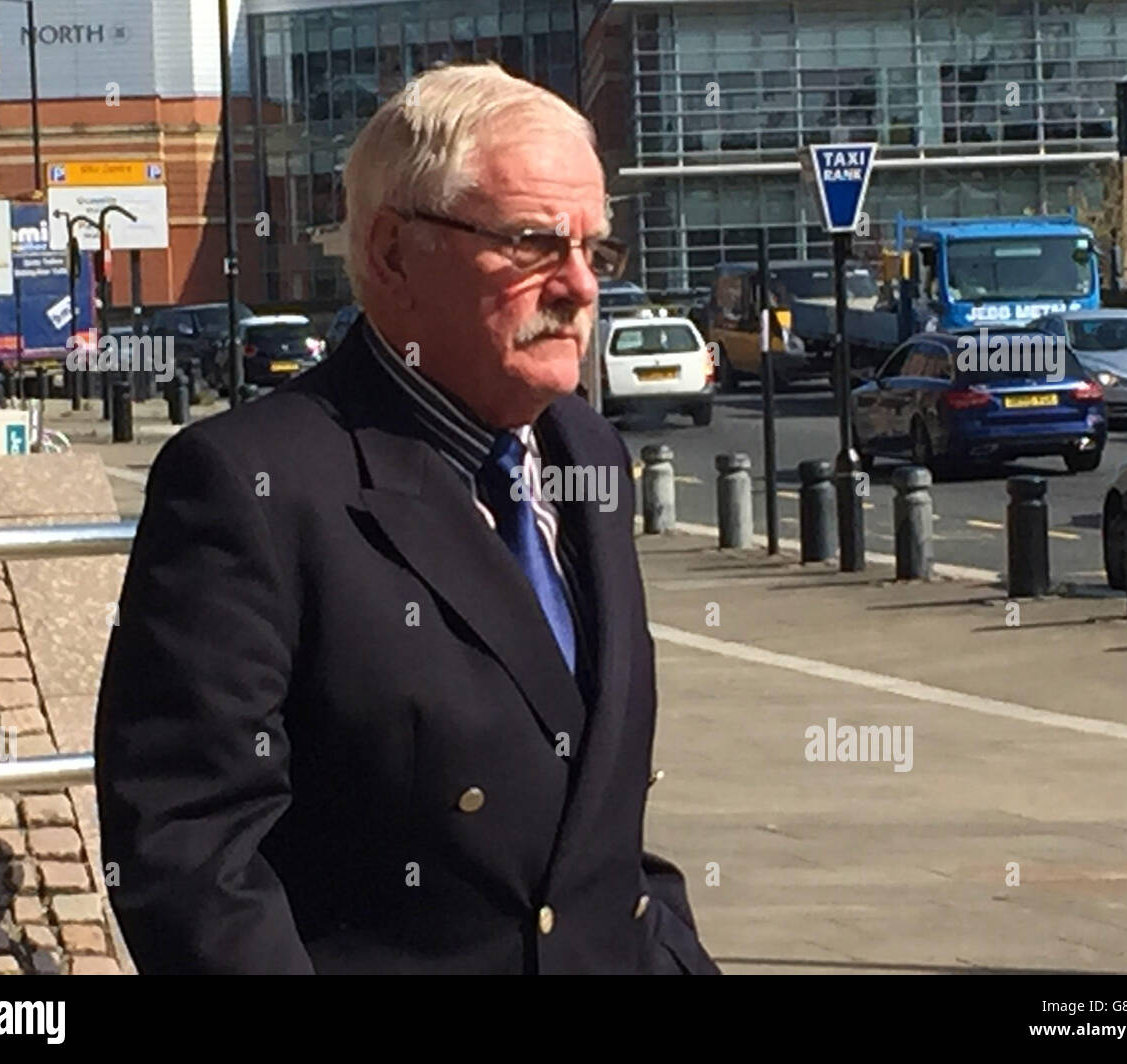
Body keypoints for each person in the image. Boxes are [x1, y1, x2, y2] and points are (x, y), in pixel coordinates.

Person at [94, 62, 719, 975]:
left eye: (597, 250)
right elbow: (191, 857)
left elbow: (593, 814)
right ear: (393, 253)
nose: (581, 287)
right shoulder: (250, 483)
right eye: (536, 244)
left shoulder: (587, 453)